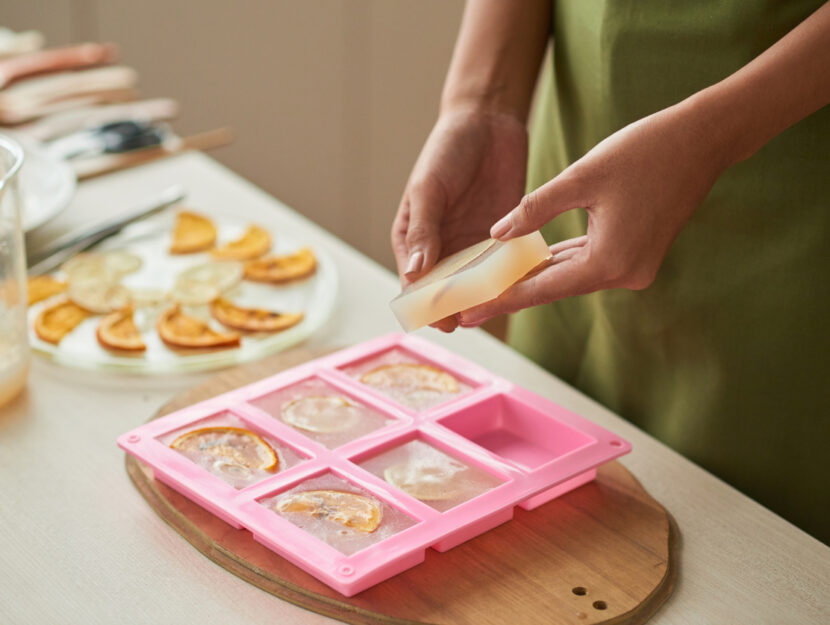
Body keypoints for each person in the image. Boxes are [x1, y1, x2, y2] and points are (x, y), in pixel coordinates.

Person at [391, 0, 830, 543]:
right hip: (580, 144)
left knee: (748, 550)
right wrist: (481, 104)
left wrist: (712, 135)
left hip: (795, 186)